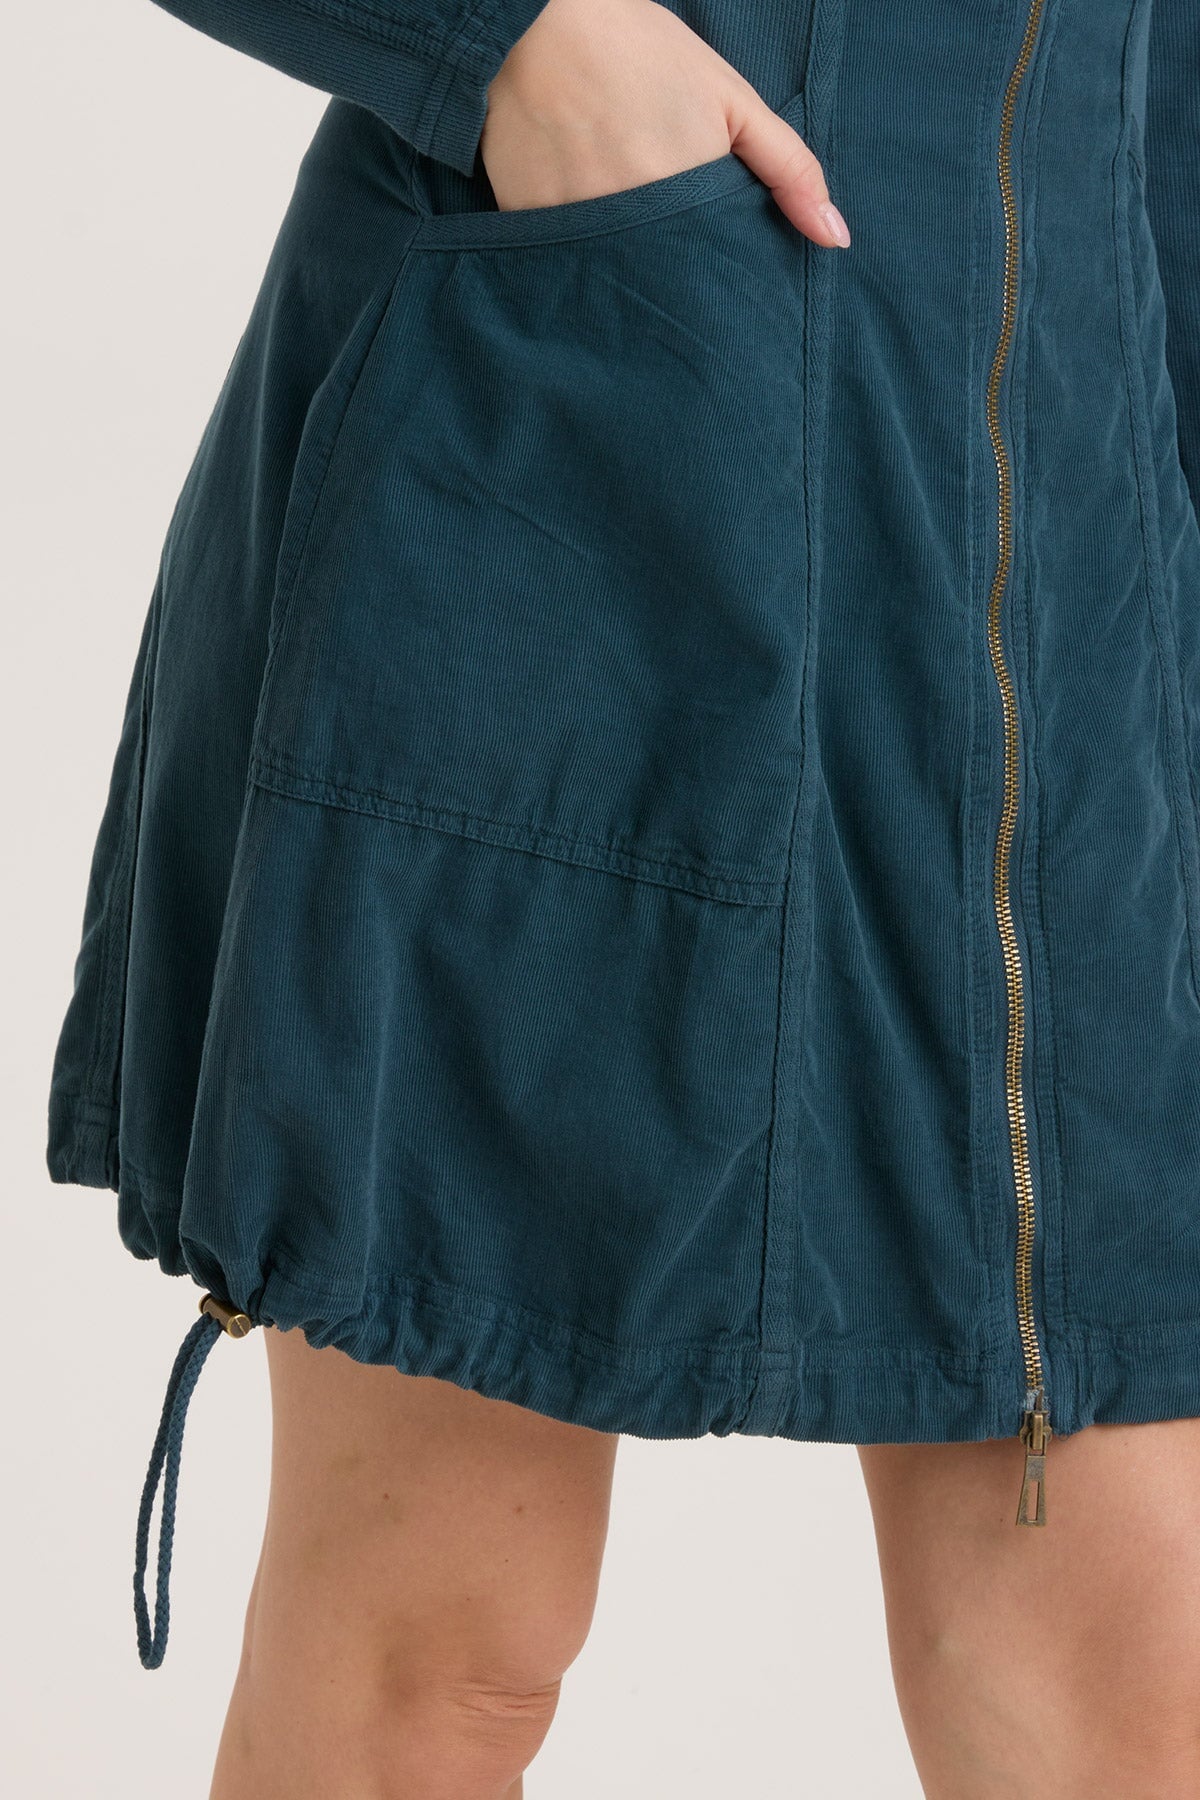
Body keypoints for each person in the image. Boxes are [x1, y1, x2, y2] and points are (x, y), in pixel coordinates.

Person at [46, 0, 1200, 1793]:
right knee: (445, 1646)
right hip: (564, 490)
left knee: (1107, 1668)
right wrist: (518, 40)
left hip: (1065, 584)